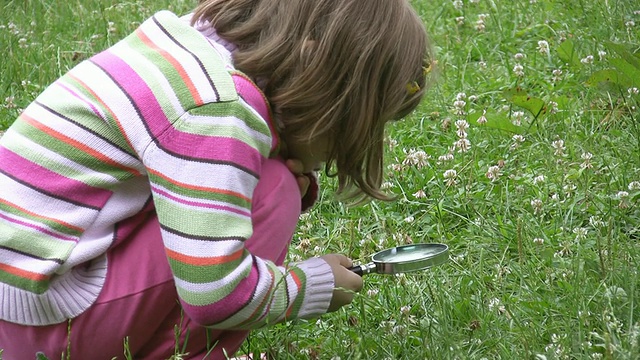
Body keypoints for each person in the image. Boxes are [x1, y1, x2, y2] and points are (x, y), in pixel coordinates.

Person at [0, 0, 433, 358]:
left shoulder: (194, 50)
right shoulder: (219, 108)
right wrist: (311, 286)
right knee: (274, 192)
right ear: (316, 66)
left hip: (20, 301)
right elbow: (214, 294)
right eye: (354, 123)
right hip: (47, 324)